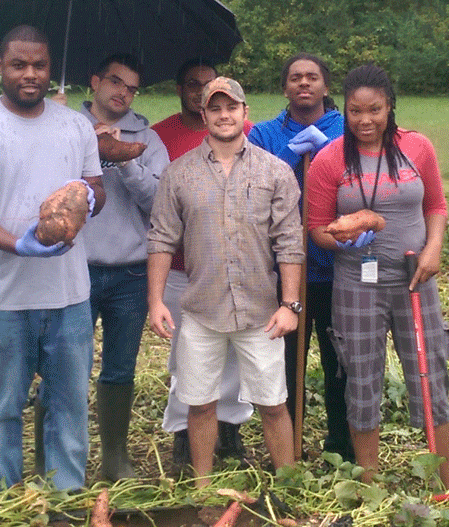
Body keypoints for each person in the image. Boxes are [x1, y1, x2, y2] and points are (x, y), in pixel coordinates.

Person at [0, 25, 106, 493]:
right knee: (4, 408)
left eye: (39, 65)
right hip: (0, 297)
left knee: (69, 405)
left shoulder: (75, 127)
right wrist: (18, 244)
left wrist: (90, 200)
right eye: (19, 64)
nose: (29, 74)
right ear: (0, 65)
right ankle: (7, 501)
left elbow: (95, 187)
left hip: (68, 294)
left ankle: (64, 499)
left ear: (51, 67)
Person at [147, 76, 304, 487]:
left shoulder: (276, 172)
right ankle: (203, 487)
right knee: (199, 404)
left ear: (244, 113)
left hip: (260, 312)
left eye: (231, 107)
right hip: (201, 310)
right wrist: (156, 301)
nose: (223, 115)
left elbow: (289, 242)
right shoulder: (178, 174)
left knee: (273, 403)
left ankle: (286, 482)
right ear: (204, 115)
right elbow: (161, 238)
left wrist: (290, 305)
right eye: (214, 108)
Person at [307, 64, 449, 489]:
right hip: (356, 282)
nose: (365, 120)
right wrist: (342, 240)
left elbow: (436, 207)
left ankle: (448, 483)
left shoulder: (418, 147)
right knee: (361, 378)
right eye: (355, 111)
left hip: (415, 278)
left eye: (374, 110)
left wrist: (433, 250)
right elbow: (317, 227)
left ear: (390, 107)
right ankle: (367, 484)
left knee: (429, 374)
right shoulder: (330, 158)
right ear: (346, 111)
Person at [247, 52, 352, 461]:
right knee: (286, 363)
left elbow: (358, 180)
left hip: (336, 270)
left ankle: (341, 447)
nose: (303, 83)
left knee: (337, 364)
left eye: (312, 77)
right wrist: (292, 158)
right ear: (285, 86)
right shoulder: (265, 134)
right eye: (295, 77)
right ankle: (287, 449)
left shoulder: (346, 129)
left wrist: (325, 157)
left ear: (326, 86)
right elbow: (253, 187)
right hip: (285, 273)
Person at [151, 59, 254, 468]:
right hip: (183, 269)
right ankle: (182, 436)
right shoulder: (162, 136)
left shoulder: (241, 130)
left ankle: (229, 430)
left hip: (234, 268)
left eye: (207, 84)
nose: (200, 91)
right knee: (187, 357)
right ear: (180, 89)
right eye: (192, 84)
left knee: (231, 354)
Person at [80, 54, 169, 481]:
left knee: (120, 367)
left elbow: (161, 204)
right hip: (74, 269)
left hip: (129, 272)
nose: (122, 92)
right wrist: (88, 150)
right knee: (65, 364)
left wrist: (124, 160)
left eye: (132, 88)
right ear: (95, 80)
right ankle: (57, 460)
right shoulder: (63, 127)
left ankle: (114, 458)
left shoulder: (147, 140)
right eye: (115, 81)